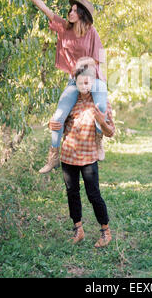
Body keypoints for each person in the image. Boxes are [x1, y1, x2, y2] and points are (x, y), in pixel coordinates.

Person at [26, 0, 107, 173]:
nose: (70, 12)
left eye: (75, 11)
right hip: (74, 80)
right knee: (57, 118)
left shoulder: (91, 32)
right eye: (70, 10)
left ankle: (99, 141)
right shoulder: (64, 28)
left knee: (101, 107)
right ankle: (53, 157)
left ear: (83, 15)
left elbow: (98, 58)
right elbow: (47, 11)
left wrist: (82, 64)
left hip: (93, 78)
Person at [49, 65, 115, 247]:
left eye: (88, 81)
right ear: (75, 82)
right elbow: (59, 122)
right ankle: (78, 230)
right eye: (81, 82)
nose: (84, 85)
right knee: (72, 193)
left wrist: (102, 121)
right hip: (68, 155)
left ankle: (105, 232)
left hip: (88, 157)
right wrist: (52, 124)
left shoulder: (100, 102)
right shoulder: (70, 100)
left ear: (93, 82)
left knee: (93, 194)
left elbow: (111, 132)